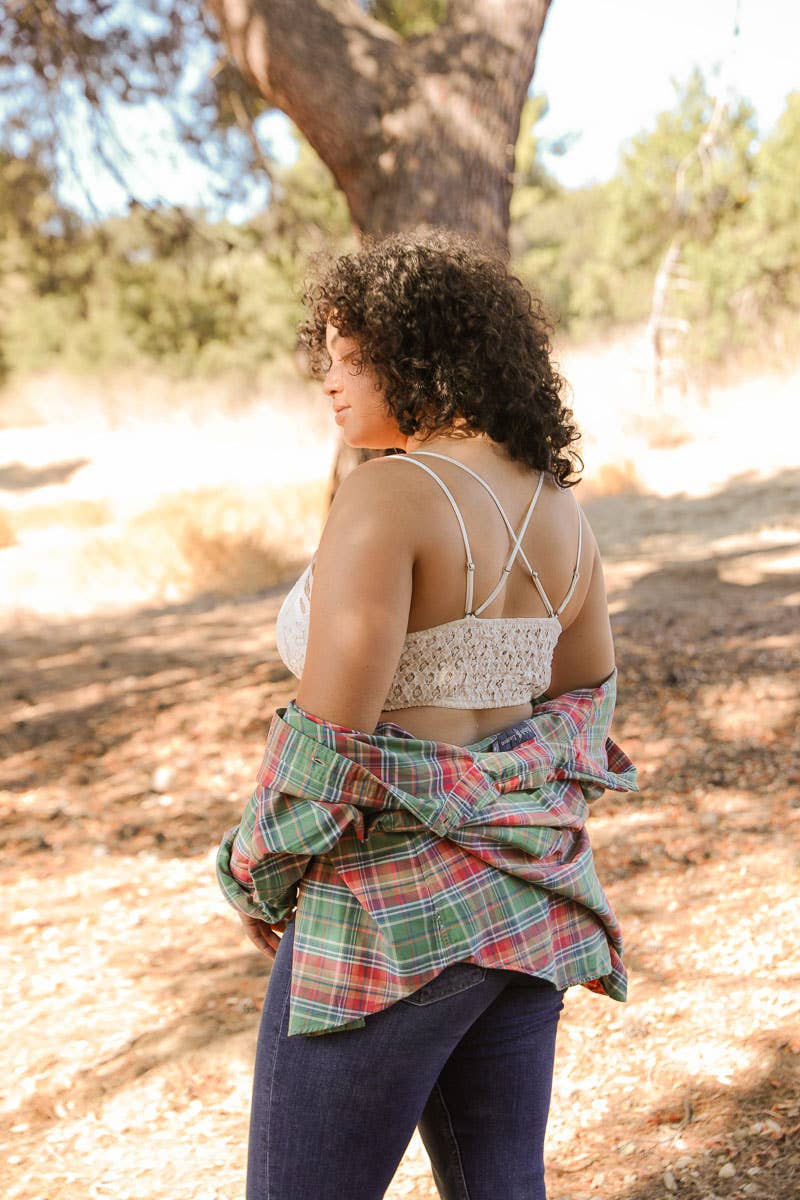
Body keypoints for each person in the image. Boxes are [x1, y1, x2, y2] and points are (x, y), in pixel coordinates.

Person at [216, 230, 638, 1200]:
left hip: (389, 914)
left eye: (348, 354)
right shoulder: (558, 510)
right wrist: (501, 805)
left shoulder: (391, 494)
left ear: (420, 351)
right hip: (522, 904)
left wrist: (254, 873)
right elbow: (585, 710)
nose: (328, 379)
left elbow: (328, 744)